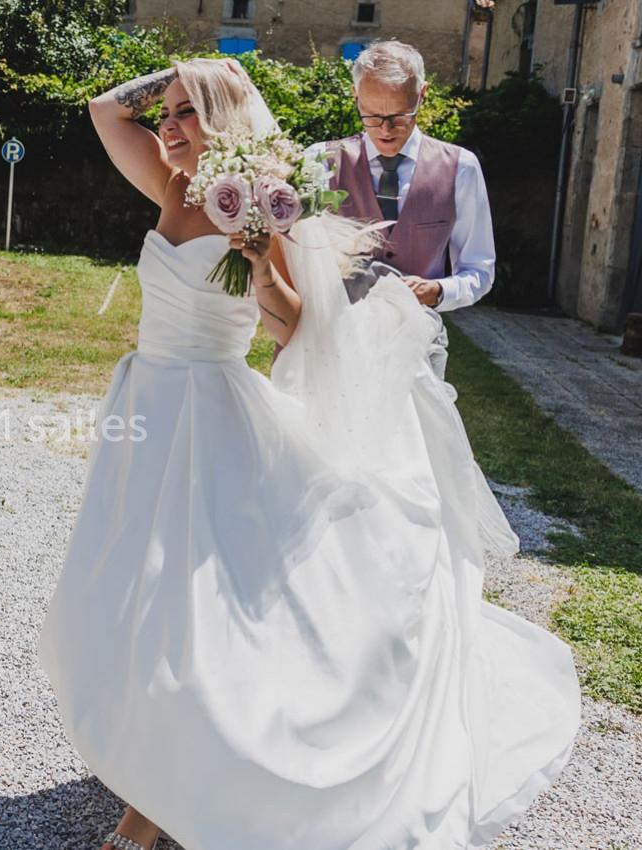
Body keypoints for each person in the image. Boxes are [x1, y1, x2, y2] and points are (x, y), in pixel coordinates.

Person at [38, 57, 580, 850]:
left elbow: (297, 328)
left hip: (209, 411)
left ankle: (150, 805)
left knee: (190, 602)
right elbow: (102, 110)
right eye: (169, 113)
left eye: (188, 114)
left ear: (222, 125)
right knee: (129, 579)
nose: (168, 126)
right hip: (146, 402)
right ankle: (149, 755)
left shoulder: (256, 204)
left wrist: (260, 260)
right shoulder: (174, 186)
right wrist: (184, 73)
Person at [311, 40, 496, 378]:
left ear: (421, 95)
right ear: (355, 96)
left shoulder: (461, 169)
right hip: (336, 349)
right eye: (372, 115)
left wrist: (439, 291)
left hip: (418, 353)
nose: (384, 129)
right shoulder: (320, 163)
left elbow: (480, 270)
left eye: (398, 116)